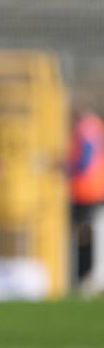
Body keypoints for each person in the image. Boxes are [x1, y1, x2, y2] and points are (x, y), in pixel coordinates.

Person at [68, 101, 104, 295]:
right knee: (89, 234)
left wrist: (66, 168)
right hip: (96, 189)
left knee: (84, 235)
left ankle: (85, 277)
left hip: (86, 191)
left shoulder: (85, 128)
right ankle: (88, 277)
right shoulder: (97, 124)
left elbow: (84, 161)